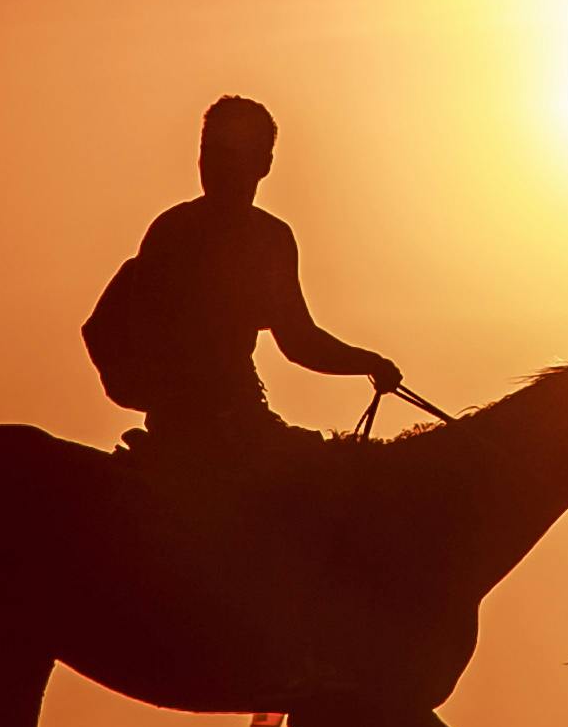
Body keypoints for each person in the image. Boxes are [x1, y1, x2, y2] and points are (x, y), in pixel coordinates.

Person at [83, 95, 404, 458]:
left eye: (233, 155)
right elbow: (147, 333)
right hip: (187, 429)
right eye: (211, 151)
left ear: (263, 165)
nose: (218, 166)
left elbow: (298, 342)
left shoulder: (273, 239)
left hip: (246, 419)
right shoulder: (173, 232)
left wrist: (369, 363)